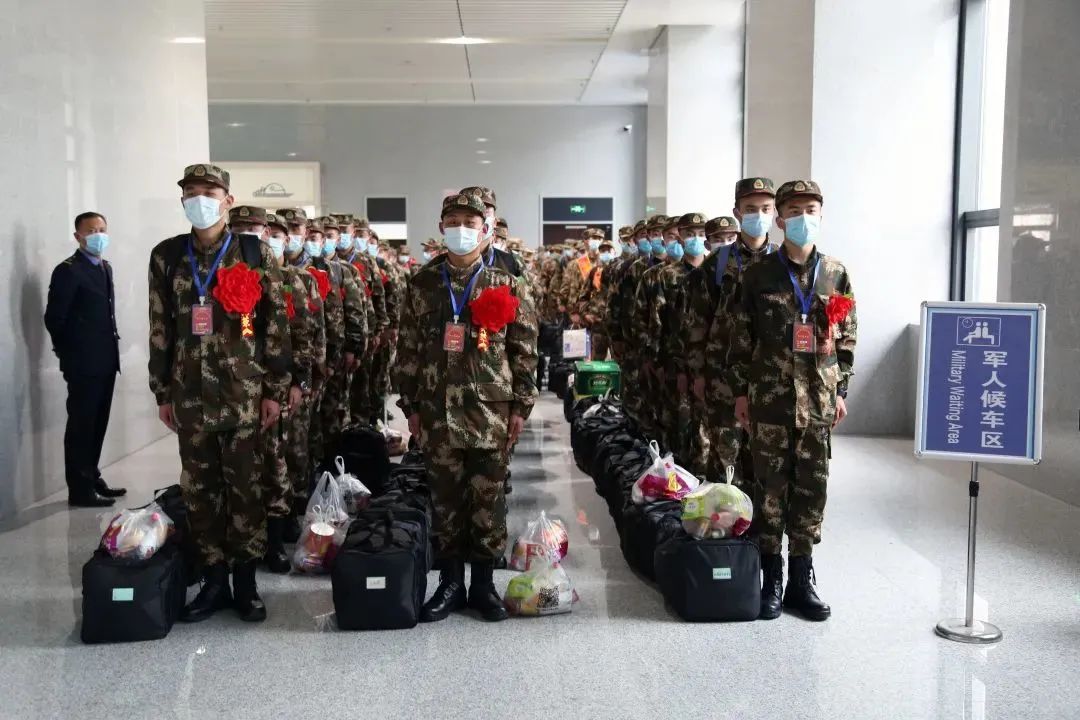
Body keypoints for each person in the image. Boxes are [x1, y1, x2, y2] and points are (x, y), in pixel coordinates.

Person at [148, 163, 290, 623]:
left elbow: (276, 326)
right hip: (190, 393)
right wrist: (162, 391)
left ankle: (246, 583)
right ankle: (213, 581)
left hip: (243, 393)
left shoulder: (254, 252)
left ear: (228, 200)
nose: (200, 199)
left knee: (246, 489)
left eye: (209, 192)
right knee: (200, 491)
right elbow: (159, 327)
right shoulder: (167, 256)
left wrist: (275, 389)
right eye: (191, 192)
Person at [395, 192, 538, 623]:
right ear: (442, 228)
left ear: (486, 229)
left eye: (470, 222)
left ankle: (483, 586)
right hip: (437, 409)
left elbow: (524, 350)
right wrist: (410, 405)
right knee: (445, 499)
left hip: (489, 411)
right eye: (453, 221)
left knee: (488, 499)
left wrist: (521, 407)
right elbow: (408, 349)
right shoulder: (423, 283)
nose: (461, 229)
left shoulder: (506, 282)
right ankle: (451, 583)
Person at [725, 180, 857, 622]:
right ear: (780, 219)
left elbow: (847, 338)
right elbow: (740, 339)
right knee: (769, 489)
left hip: (817, 402)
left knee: (811, 490)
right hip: (770, 401)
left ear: (821, 215)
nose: (803, 218)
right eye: (795, 211)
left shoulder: (835, 273)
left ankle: (802, 578)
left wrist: (840, 390)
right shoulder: (758, 274)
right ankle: (772, 579)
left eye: (811, 210)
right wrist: (740, 392)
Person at [229, 207, 315, 573]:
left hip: (274, 385)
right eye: (239, 227)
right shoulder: (222, 275)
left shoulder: (291, 279)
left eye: (255, 227)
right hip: (234, 389)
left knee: (276, 461)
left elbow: (303, 334)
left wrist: (297, 382)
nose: (247, 233)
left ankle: (276, 540)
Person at [698, 179, 780, 489]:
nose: (758, 215)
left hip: (769, 379)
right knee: (724, 455)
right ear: (737, 212)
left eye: (765, 208)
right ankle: (720, 514)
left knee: (763, 459)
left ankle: (757, 517)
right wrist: (697, 372)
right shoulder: (718, 263)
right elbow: (699, 321)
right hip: (723, 378)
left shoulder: (781, 262)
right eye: (750, 209)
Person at [44, 211, 125, 507]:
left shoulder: (105, 267)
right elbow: (55, 318)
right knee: (81, 426)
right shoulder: (68, 270)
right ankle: (79, 490)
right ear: (78, 236)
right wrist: (70, 354)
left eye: (102, 229)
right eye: (91, 231)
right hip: (82, 364)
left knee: (97, 423)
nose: (98, 235)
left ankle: (92, 477)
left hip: (106, 360)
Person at [651, 212, 709, 466]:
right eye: (689, 234)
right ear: (680, 237)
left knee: (707, 430)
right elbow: (657, 323)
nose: (695, 239)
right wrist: (659, 362)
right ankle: (678, 474)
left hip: (709, 363)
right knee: (680, 423)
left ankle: (703, 478)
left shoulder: (713, 271)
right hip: (676, 363)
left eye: (700, 233)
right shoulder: (667, 275)